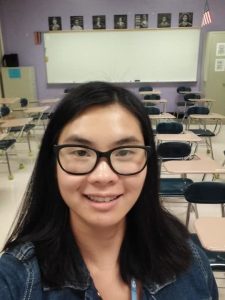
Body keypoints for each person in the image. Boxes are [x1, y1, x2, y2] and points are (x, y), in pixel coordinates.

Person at [0, 81, 218, 299]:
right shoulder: (15, 282)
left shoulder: (190, 263)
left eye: (124, 152)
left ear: (148, 163)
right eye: (80, 152)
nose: (103, 177)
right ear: (52, 164)